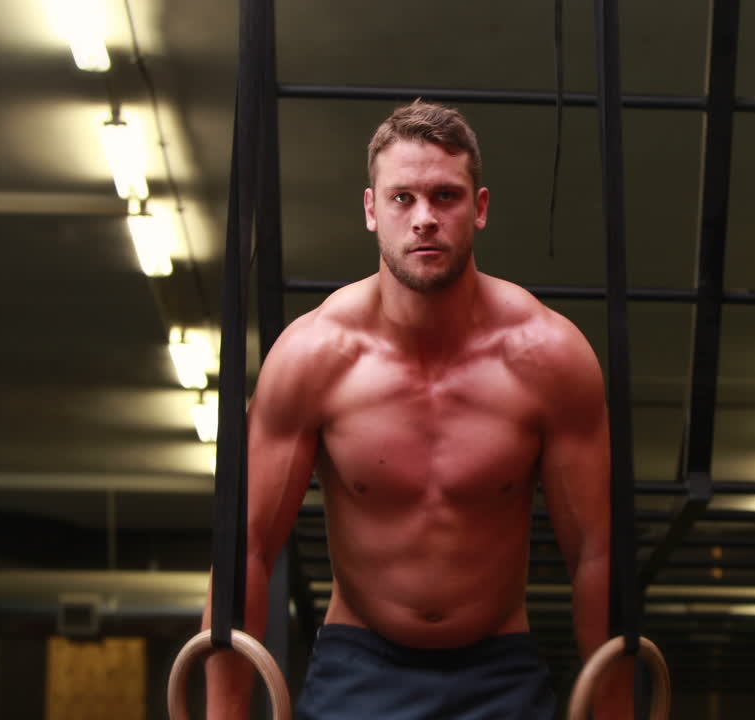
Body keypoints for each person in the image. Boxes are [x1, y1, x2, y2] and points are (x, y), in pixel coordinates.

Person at [203, 100, 628, 719]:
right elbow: (246, 550)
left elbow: (596, 555)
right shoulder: (314, 357)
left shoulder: (549, 358)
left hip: (499, 674)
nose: (424, 218)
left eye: (445, 197)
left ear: (479, 208)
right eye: (403, 199)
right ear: (372, 210)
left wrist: (615, 712)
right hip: (361, 668)